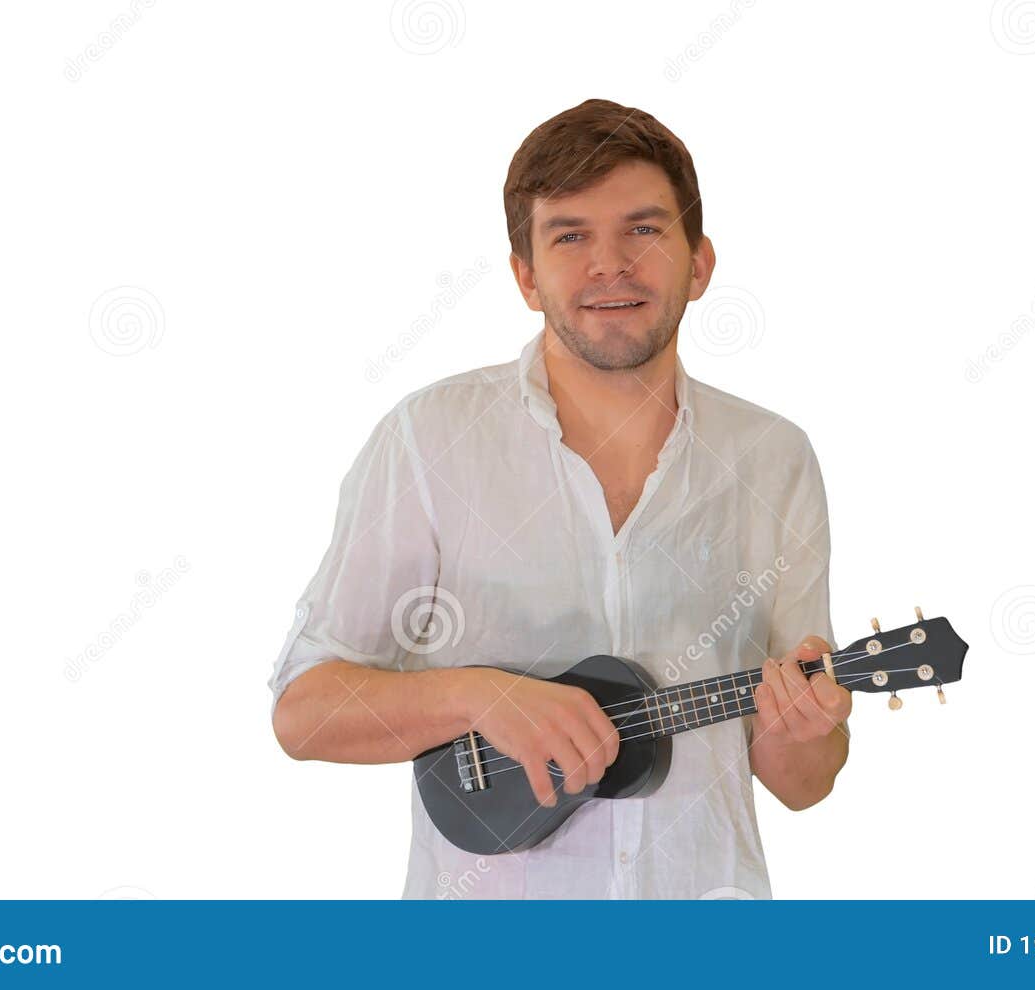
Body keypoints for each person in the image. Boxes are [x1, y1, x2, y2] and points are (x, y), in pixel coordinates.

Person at [269, 98, 851, 898]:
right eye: (569, 235)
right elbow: (304, 713)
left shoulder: (772, 458)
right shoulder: (428, 439)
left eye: (644, 229)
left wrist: (808, 729)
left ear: (700, 262)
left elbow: (802, 782)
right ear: (525, 276)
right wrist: (478, 695)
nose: (609, 264)